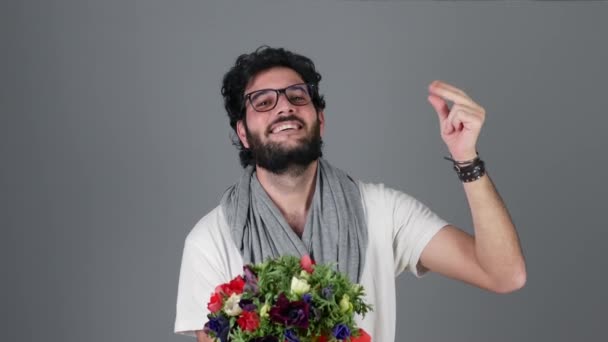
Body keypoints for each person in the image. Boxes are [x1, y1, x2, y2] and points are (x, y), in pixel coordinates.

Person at [174, 46, 526, 342]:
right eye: (263, 102)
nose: (285, 107)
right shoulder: (210, 241)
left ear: (320, 119)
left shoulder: (382, 210)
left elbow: (503, 274)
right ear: (244, 133)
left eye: (298, 96)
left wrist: (467, 159)